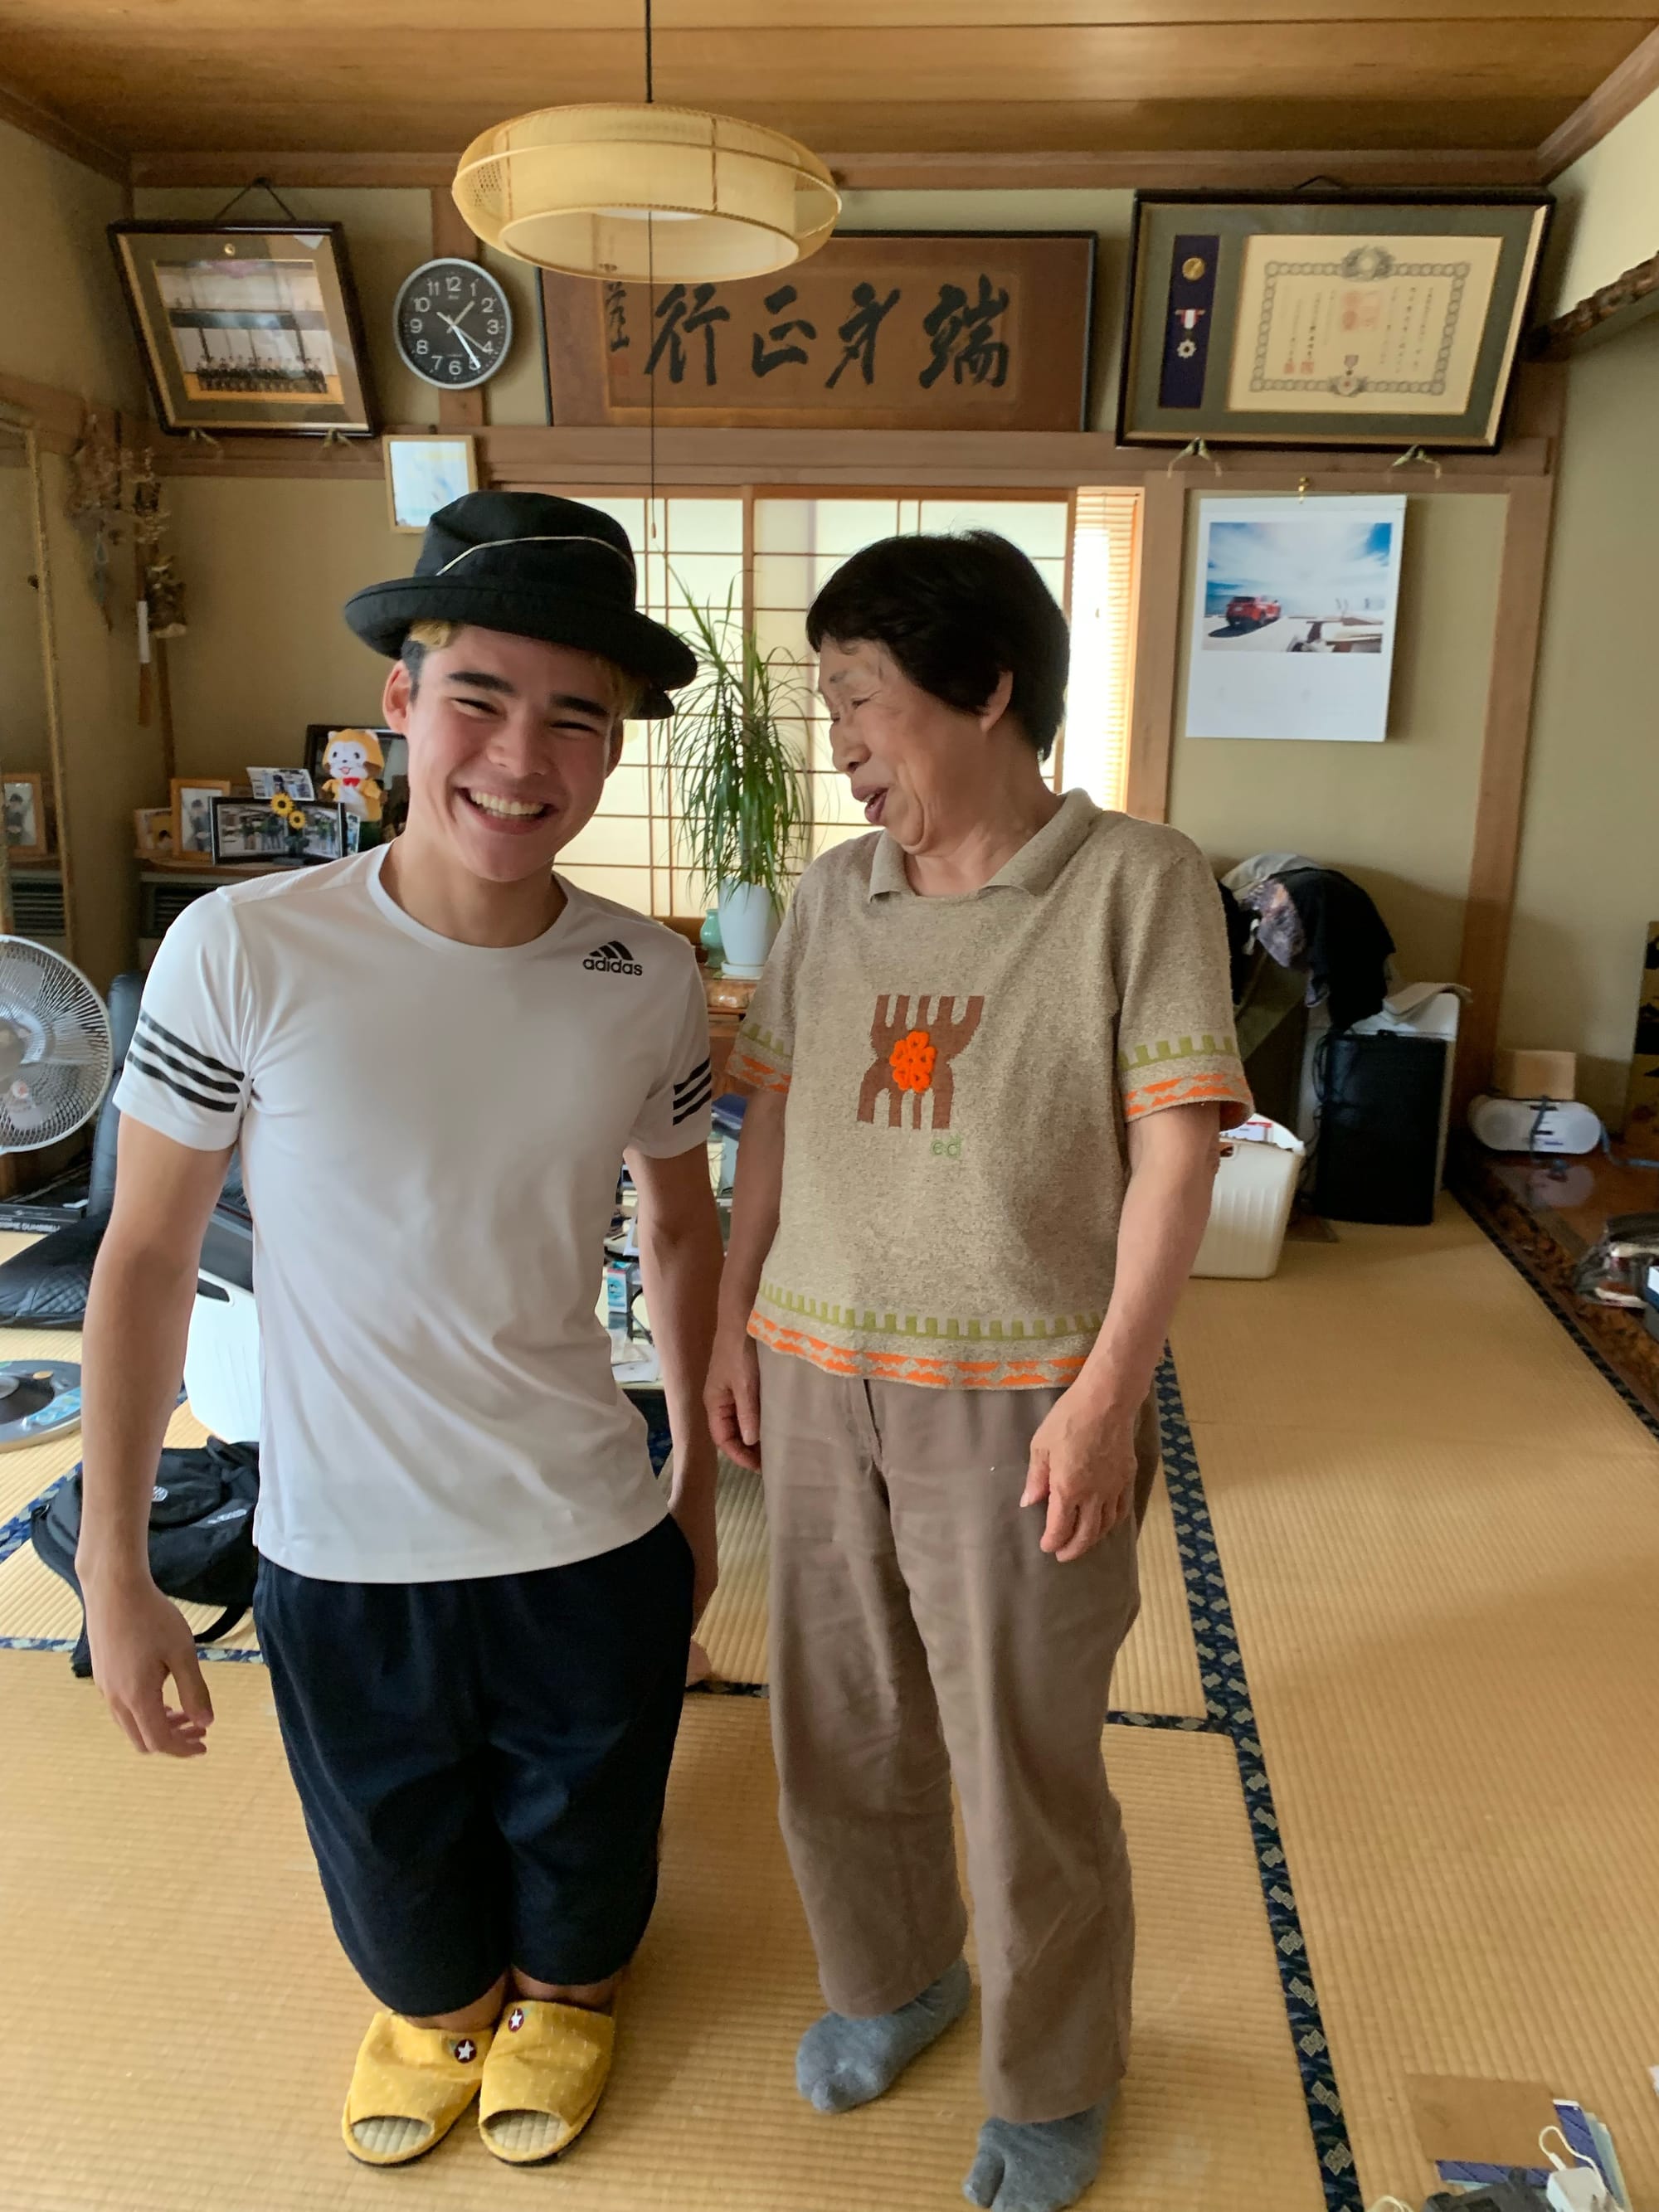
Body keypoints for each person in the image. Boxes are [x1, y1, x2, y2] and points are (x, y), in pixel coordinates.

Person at [78, 493, 724, 2171]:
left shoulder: (644, 973)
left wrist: (704, 1493)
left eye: (576, 715)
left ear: (614, 746)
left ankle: (565, 1997)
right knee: (397, 1872)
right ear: (398, 701)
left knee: (586, 1869)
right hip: (342, 1539)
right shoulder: (247, 945)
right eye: (480, 700)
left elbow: (682, 1219)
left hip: (586, 1517)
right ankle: (441, 2002)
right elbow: (143, 1254)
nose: (523, 756)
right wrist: (116, 1564)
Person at [707, 531, 1252, 2212]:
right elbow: (779, 1116)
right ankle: (894, 1980)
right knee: (837, 1722)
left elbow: (1177, 1161)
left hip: (1022, 1394)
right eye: (829, 705)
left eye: (861, 697)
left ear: (989, 684)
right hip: (810, 1371)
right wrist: (729, 1316)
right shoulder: (825, 894)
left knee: (1021, 1754)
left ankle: (1052, 2066)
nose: (844, 741)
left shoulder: (1135, 879)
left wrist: (1104, 1397)